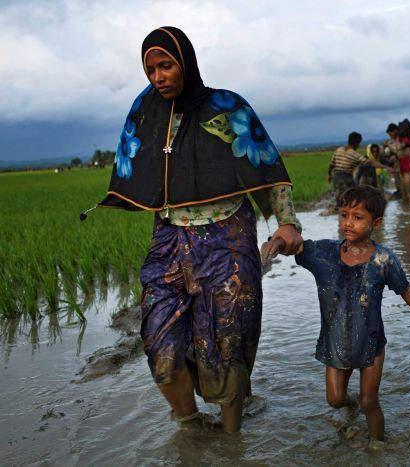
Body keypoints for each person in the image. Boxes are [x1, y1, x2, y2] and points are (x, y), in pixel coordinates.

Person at [97, 27, 303, 433]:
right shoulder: (145, 108)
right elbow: (135, 163)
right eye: (150, 68)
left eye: (166, 65)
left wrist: (287, 222)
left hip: (226, 236)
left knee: (226, 343)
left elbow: (266, 164)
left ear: (186, 63)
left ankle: (230, 442)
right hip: (170, 238)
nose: (158, 76)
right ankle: (191, 428)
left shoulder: (226, 106)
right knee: (160, 346)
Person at [260, 185, 410, 444]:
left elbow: (405, 290)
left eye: (357, 217)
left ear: (375, 223)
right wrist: (276, 242)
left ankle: (377, 447)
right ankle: (350, 406)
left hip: (371, 344)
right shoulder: (323, 253)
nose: (348, 223)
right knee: (334, 400)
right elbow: (294, 245)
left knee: (370, 401)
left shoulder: (383, 260)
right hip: (335, 343)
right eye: (344, 215)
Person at [328, 132, 384, 205]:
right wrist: (385, 166)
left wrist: (329, 175)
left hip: (336, 178)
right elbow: (369, 163)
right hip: (346, 178)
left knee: (340, 200)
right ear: (356, 143)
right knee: (352, 200)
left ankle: (340, 212)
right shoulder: (355, 154)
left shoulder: (338, 150)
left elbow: (331, 164)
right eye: (358, 144)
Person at [382, 123, 403, 199]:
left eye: (391, 133)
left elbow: (398, 152)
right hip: (395, 166)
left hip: (404, 165)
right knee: (398, 182)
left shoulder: (402, 140)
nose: (390, 135)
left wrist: (388, 146)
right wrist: (384, 147)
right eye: (389, 134)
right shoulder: (390, 141)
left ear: (395, 131)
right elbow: (385, 153)